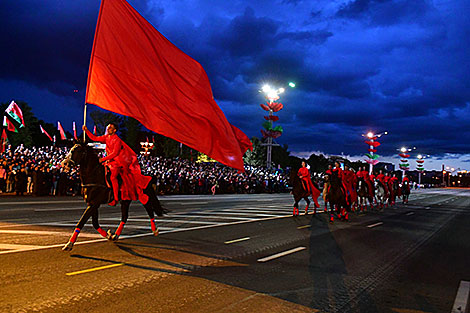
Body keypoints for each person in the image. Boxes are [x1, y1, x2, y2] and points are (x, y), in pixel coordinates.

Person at [83, 124, 151, 207]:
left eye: (110, 128)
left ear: (115, 130)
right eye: (108, 128)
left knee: (113, 177)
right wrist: (86, 130)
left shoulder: (117, 140)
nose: (108, 129)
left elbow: (115, 153)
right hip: (109, 161)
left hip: (118, 162)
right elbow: (95, 138)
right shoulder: (106, 137)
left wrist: (103, 159)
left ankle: (115, 198)